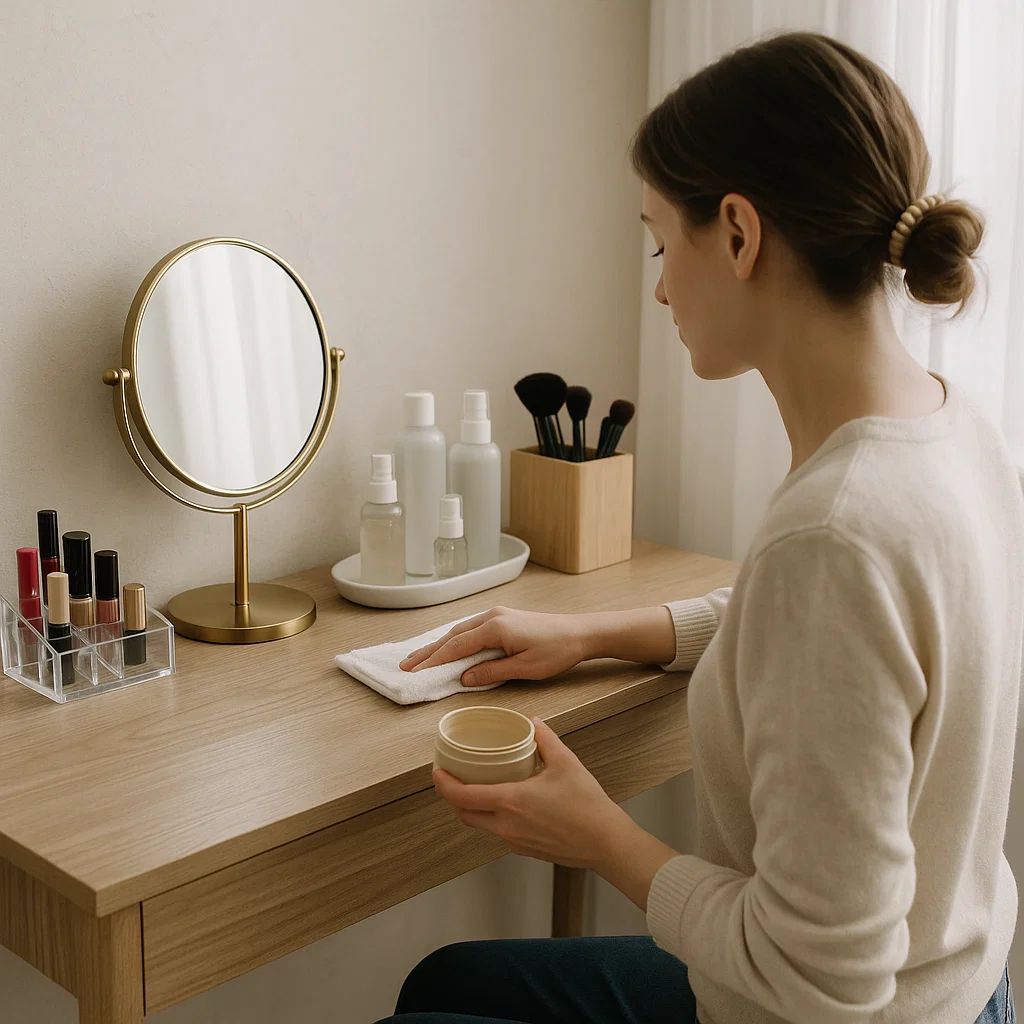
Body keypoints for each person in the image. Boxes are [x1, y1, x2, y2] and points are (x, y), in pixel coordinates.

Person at [375, 31, 1022, 1024]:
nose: (663, 286)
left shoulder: (835, 532)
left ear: (736, 231)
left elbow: (821, 981)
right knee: (448, 986)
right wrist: (595, 631)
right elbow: (849, 647)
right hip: (956, 988)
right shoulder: (941, 423)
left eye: (658, 242)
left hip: (834, 1008)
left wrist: (599, 835)